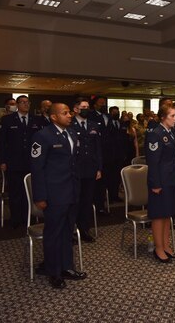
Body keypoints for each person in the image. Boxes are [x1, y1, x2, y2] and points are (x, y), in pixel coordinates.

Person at [31, 103, 86, 289]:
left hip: (71, 192)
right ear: (54, 117)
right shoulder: (42, 136)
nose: (70, 115)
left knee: (67, 232)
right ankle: (53, 271)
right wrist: (39, 196)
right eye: (65, 113)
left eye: (69, 112)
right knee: (53, 233)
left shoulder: (70, 133)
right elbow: (37, 169)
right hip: (54, 194)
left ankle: (67, 267)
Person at [0, 95, 43, 228]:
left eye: (27, 102)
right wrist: (2, 161)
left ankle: (28, 217)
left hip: (31, 162)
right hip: (13, 162)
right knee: (15, 192)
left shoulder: (36, 120)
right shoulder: (7, 120)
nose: (25, 104)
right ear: (17, 105)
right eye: (22, 102)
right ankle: (16, 219)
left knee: (29, 191)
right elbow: (1, 143)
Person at [145, 103, 175, 263]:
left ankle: (166, 245)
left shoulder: (170, 133)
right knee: (159, 215)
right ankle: (158, 248)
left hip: (171, 179)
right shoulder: (155, 134)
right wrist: (155, 184)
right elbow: (153, 162)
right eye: (172, 116)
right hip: (160, 181)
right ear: (163, 117)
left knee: (168, 214)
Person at [72, 98, 102, 243]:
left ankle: (84, 229)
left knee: (87, 201)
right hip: (75, 169)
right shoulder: (69, 124)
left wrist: (99, 168)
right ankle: (72, 230)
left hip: (90, 169)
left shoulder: (93, 125)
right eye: (83, 106)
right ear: (76, 109)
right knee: (74, 201)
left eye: (88, 107)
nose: (86, 109)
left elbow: (97, 149)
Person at [103, 106, 128, 204]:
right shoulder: (108, 124)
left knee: (117, 177)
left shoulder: (121, 123)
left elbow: (124, 139)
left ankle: (115, 195)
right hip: (109, 155)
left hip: (119, 154)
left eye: (117, 112)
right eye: (114, 112)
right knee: (109, 177)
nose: (116, 114)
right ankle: (109, 197)